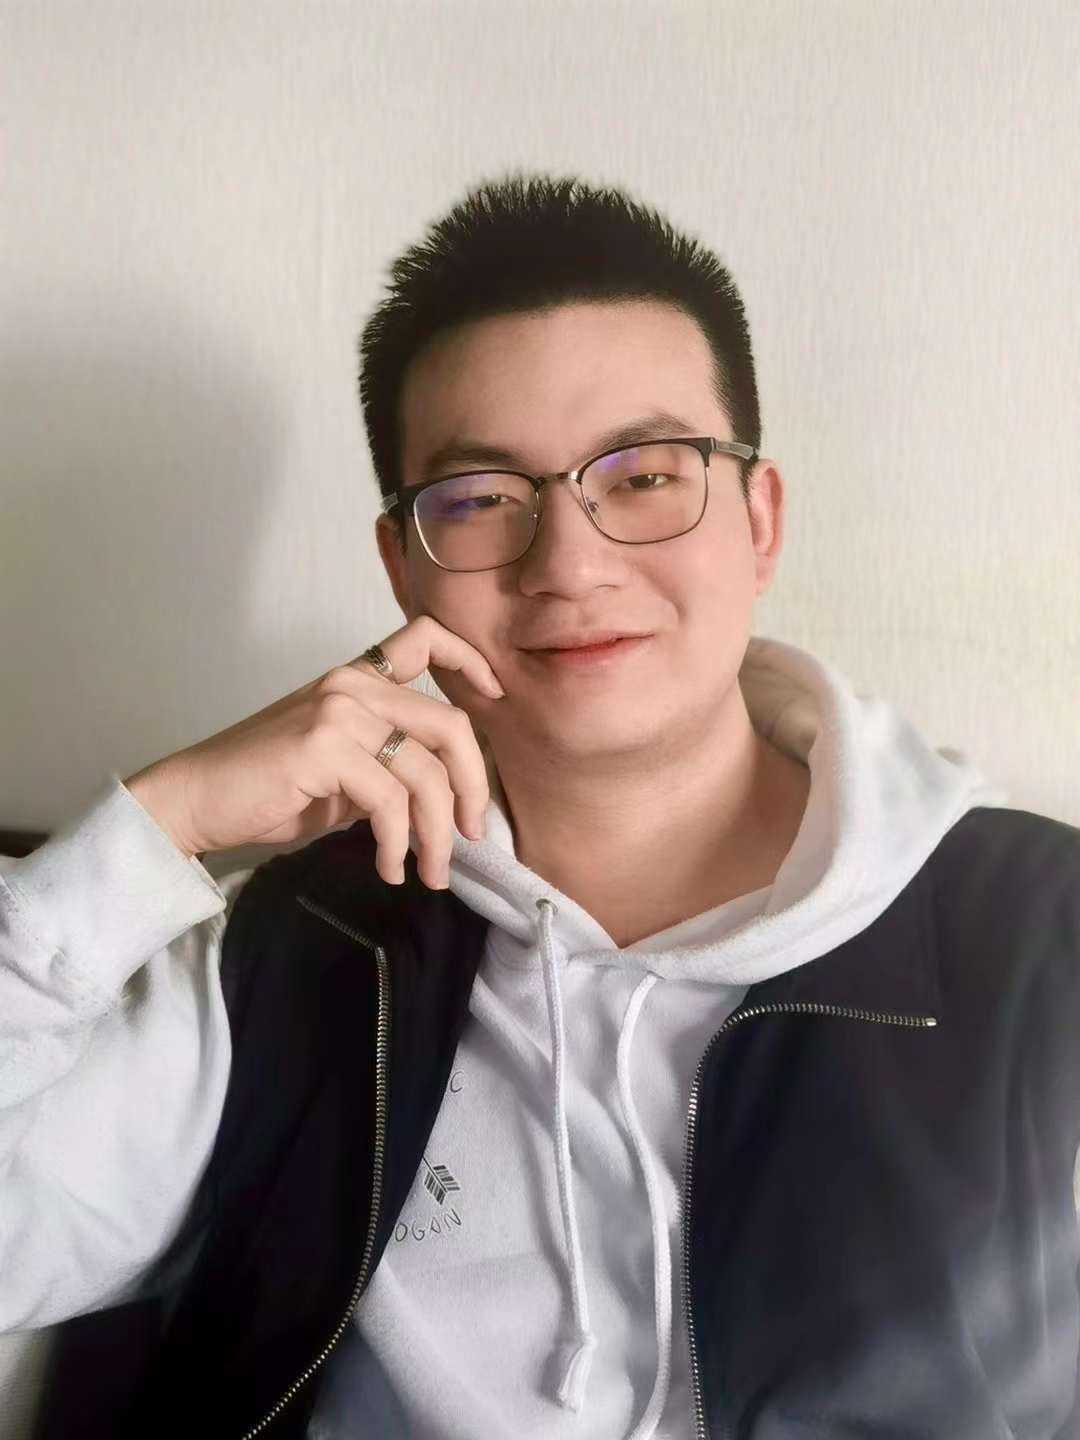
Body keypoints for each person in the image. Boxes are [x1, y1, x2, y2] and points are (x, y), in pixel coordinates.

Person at [2, 173, 1078, 1440]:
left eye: (646, 476)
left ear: (760, 521)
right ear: (402, 565)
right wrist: (160, 822)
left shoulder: (1041, 940)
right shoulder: (296, 953)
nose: (568, 562)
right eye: (479, 499)